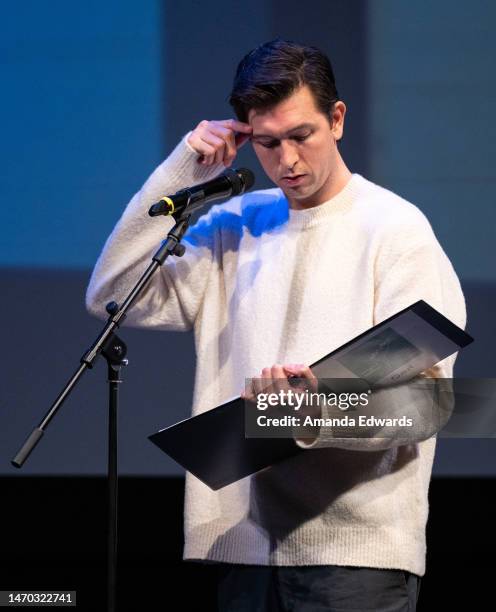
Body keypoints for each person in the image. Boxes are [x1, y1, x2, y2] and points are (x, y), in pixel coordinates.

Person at [86, 39, 466, 611]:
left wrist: (321, 406)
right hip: (243, 549)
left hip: (353, 558)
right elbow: (114, 293)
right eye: (266, 142)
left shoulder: (394, 229)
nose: (286, 160)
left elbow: (426, 405)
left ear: (337, 120)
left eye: (300, 136)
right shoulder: (235, 224)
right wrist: (184, 166)